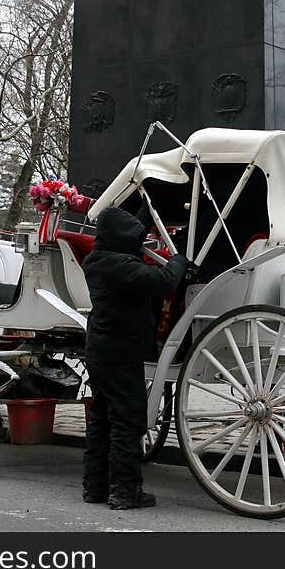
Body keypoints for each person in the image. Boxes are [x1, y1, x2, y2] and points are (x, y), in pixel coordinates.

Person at [82, 203, 187, 509]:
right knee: (126, 421)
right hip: (121, 352)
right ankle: (125, 491)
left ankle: (96, 487)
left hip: (102, 351)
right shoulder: (120, 266)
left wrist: (149, 203)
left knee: (101, 419)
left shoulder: (99, 259)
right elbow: (164, 282)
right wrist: (178, 259)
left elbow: (132, 231)